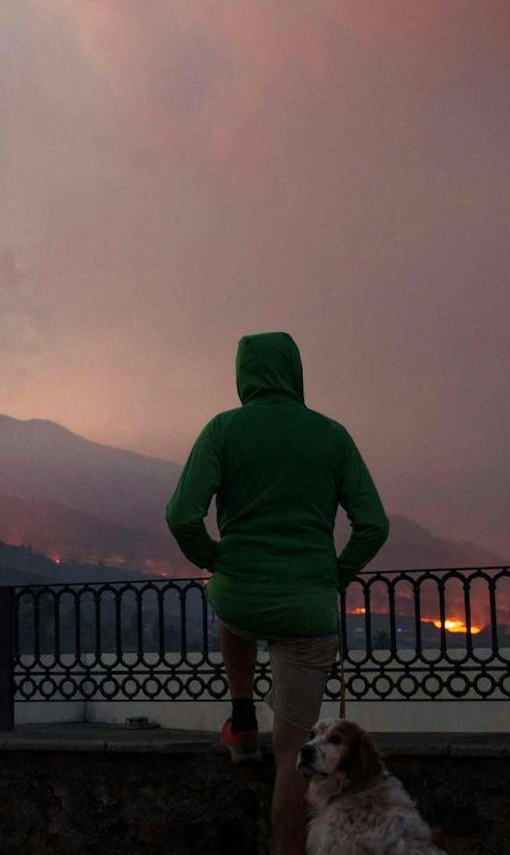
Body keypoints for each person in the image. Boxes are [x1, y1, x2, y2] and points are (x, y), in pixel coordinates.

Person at [166, 331, 389, 855]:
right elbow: (373, 525)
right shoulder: (332, 436)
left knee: (230, 609)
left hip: (240, 592)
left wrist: (212, 558)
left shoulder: (223, 429)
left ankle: (242, 717)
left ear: (244, 374)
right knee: (294, 754)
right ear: (295, 372)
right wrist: (338, 573)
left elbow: (181, 514)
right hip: (309, 608)